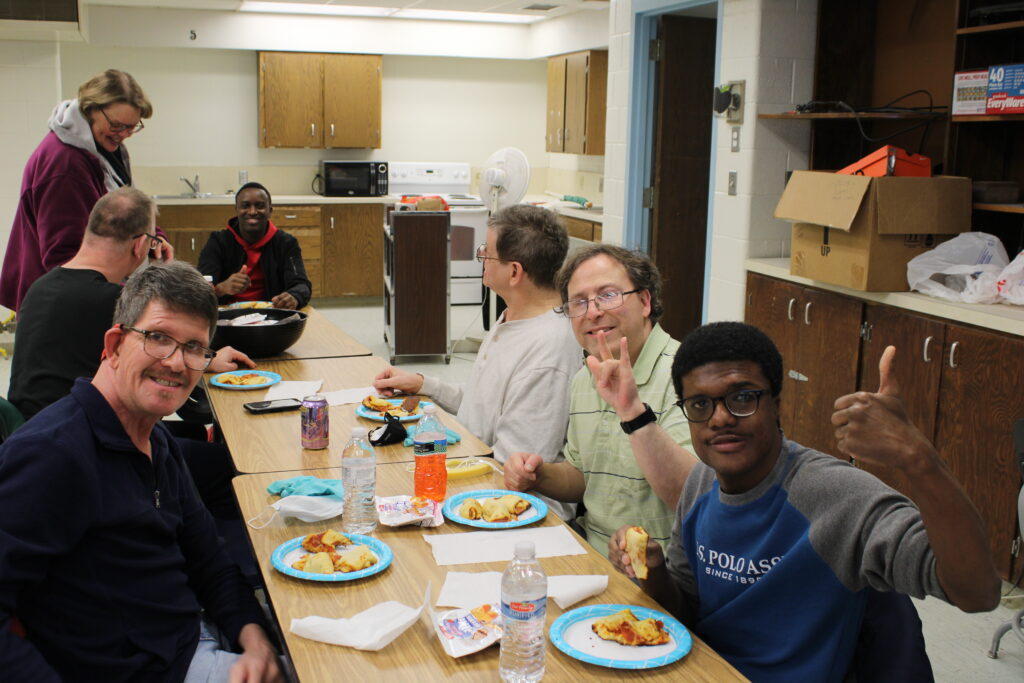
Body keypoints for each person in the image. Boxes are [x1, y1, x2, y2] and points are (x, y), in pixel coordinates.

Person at [607, 322, 1000, 682]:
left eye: (742, 397)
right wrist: (653, 571)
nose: (721, 418)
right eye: (700, 404)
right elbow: (687, 612)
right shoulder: (699, 485)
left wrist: (918, 459)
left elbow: (977, 593)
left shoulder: (840, 497)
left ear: (777, 403)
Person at [0, 261, 283, 682]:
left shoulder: (156, 440)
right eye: (158, 338)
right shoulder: (51, 456)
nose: (175, 362)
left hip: (197, 636)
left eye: (193, 347)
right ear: (114, 345)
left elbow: (210, 560)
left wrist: (256, 639)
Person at [372, 205, 581, 518]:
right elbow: (485, 406)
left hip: (513, 511)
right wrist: (425, 386)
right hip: (477, 474)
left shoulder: (549, 350)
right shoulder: (514, 316)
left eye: (488, 252)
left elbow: (510, 470)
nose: (481, 256)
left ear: (514, 272)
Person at [504, 245, 697, 556]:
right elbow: (583, 477)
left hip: (662, 569)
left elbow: (692, 496)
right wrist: (537, 475)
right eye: (578, 302)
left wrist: (632, 413)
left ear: (645, 301)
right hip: (590, 549)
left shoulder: (687, 376)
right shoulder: (586, 377)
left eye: (608, 295)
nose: (592, 312)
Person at [8, 186, 253, 422]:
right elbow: (162, 368)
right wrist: (208, 360)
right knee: (223, 457)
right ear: (140, 246)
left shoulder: (39, 287)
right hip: (81, 443)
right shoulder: (111, 301)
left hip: (33, 429)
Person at [0, 69, 166, 312]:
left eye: (131, 128)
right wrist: (117, 296)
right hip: (57, 301)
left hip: (82, 288)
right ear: (90, 110)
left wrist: (154, 237)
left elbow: (126, 206)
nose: (123, 135)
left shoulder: (105, 147)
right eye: (116, 125)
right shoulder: (64, 163)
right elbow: (62, 254)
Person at [198, 182, 312, 310]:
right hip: (225, 314)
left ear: (270, 211)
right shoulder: (218, 241)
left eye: (260, 206)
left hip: (272, 315)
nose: (252, 212)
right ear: (236, 210)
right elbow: (198, 289)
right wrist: (220, 289)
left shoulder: (286, 243)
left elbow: (301, 285)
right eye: (245, 206)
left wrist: (294, 297)